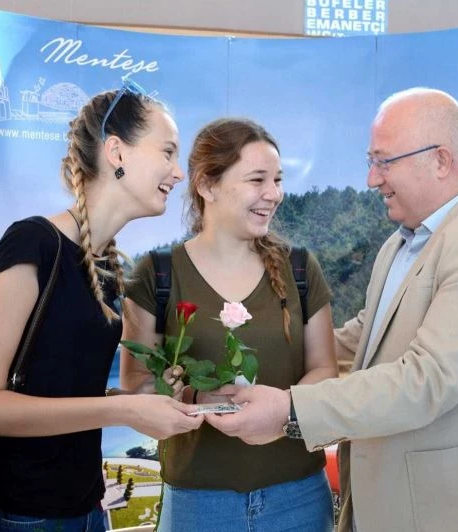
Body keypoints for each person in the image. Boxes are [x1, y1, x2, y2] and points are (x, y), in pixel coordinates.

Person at [207, 88, 458, 532]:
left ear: (440, 160)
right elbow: (363, 340)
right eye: (370, 162)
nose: (371, 179)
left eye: (384, 162)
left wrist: (290, 409)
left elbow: (427, 379)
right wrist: (241, 356)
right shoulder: (399, 246)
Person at [0, 77, 203, 532]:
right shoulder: (33, 243)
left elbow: (61, 390)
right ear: (117, 152)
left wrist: (146, 401)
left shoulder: (106, 265)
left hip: (87, 510)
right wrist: (122, 411)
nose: (178, 173)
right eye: (167, 152)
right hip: (25, 516)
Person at [120, 117, 338, 531]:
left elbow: (325, 369)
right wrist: (191, 397)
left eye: (278, 180)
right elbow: (136, 387)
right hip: (197, 505)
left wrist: (281, 414)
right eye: (257, 180)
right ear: (207, 184)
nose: (274, 193)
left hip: (299, 499)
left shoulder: (300, 269)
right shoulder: (157, 273)